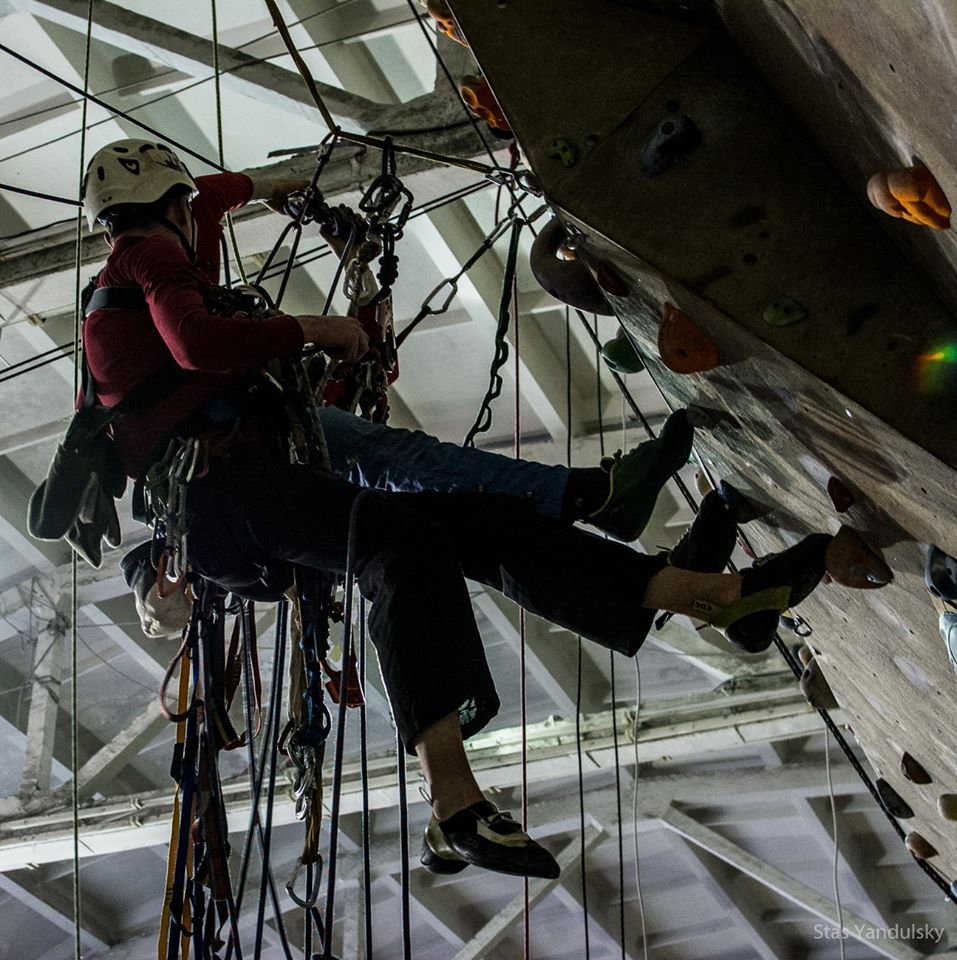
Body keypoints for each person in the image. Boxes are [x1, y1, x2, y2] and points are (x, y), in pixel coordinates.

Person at [79, 138, 891, 880]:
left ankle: (706, 595)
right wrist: (316, 323)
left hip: (248, 498)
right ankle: (452, 800)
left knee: (467, 522)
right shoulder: (147, 254)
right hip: (227, 501)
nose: (201, 222)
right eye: (193, 208)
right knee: (401, 544)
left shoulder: (151, 248)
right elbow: (194, 344)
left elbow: (210, 210)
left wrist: (269, 186)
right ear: (172, 207)